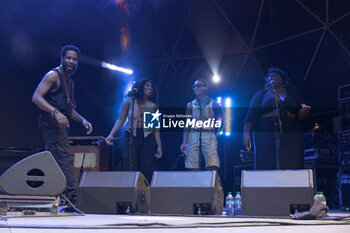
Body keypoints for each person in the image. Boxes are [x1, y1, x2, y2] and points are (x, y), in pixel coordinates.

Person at [32, 45, 93, 205]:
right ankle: (72, 201)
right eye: (68, 58)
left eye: (74, 59)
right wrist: (55, 112)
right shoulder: (53, 75)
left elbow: (68, 109)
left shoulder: (68, 81)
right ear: (62, 58)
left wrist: (83, 120)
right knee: (65, 158)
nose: (71, 61)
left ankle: (53, 199)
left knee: (54, 162)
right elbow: (36, 97)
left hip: (59, 127)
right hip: (51, 125)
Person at [243, 67, 311, 170]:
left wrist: (305, 110)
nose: (273, 77)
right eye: (271, 76)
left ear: (283, 79)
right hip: (266, 134)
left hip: (291, 132)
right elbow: (250, 116)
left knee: (292, 160)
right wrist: (246, 134)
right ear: (267, 80)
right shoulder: (260, 95)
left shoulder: (292, 92)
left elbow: (303, 106)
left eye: (276, 75)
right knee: (267, 162)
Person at [106, 78, 162, 182]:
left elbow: (155, 128)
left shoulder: (152, 106)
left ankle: (145, 192)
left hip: (146, 138)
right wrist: (111, 134)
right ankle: (130, 191)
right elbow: (121, 119)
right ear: (141, 86)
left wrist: (159, 145)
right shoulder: (130, 102)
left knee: (146, 167)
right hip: (130, 136)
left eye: (152, 87)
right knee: (131, 166)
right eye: (147, 85)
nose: (150, 88)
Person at [180, 79, 223, 171]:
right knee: (193, 163)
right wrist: (184, 142)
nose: (197, 88)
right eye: (195, 86)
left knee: (212, 162)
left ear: (206, 87)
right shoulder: (190, 104)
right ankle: (196, 184)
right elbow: (187, 123)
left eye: (199, 85)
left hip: (208, 132)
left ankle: (211, 183)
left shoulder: (213, 102)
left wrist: (219, 131)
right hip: (194, 133)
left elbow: (222, 118)